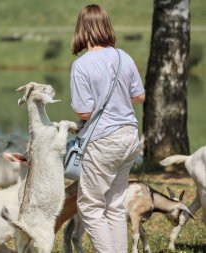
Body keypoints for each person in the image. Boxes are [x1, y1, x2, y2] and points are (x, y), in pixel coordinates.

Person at [70, 4, 145, 253]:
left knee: (91, 207)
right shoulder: (125, 57)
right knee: (114, 204)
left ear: (82, 28)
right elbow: (140, 96)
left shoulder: (82, 65)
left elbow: (83, 112)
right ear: (106, 26)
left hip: (103, 140)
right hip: (130, 137)